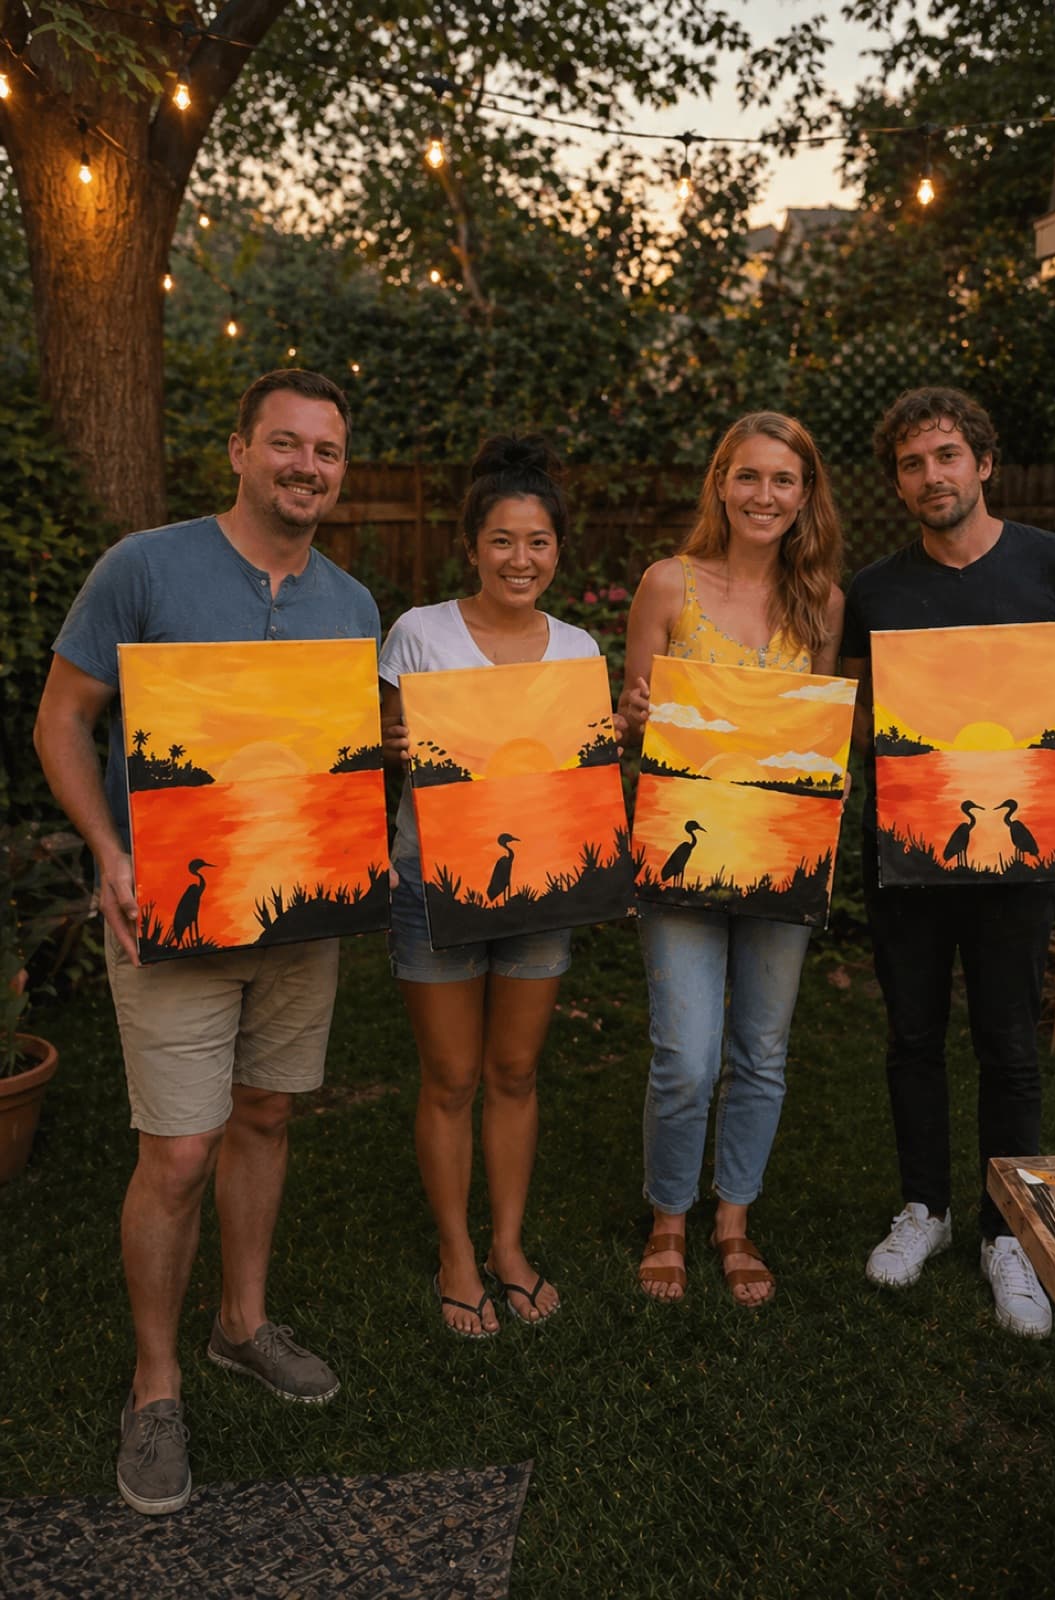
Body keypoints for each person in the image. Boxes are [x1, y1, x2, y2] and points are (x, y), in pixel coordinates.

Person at [33, 370, 380, 1514]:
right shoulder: (145, 567)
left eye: (325, 453)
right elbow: (62, 719)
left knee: (269, 1112)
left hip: (297, 913)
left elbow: (340, 766)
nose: (306, 468)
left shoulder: (352, 604)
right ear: (237, 449)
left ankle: (240, 1322)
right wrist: (108, 848)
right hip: (169, 909)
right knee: (178, 1151)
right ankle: (155, 1378)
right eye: (285, 445)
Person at [841, 385, 1055, 1338]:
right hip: (909, 854)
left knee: (1009, 1043)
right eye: (914, 463)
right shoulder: (876, 589)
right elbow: (849, 712)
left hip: (1020, 856)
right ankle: (924, 1208)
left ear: (984, 463)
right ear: (900, 480)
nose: (933, 476)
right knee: (913, 1036)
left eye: (948, 456)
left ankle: (1011, 1232)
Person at [618, 411, 845, 1308]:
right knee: (685, 1054)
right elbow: (634, 720)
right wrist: (634, 712)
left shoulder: (820, 600)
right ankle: (669, 1213)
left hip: (783, 854)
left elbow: (827, 731)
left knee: (762, 1048)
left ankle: (733, 1218)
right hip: (685, 849)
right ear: (721, 483)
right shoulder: (668, 585)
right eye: (748, 477)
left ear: (805, 494)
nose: (764, 495)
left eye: (783, 480)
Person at [379, 436, 602, 1338]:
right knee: (451, 1078)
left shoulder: (578, 645)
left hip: (541, 888)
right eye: (503, 541)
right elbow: (381, 753)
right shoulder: (419, 634)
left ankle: (507, 1244)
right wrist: (392, 747)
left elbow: (574, 770)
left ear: (557, 551)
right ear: (473, 545)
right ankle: (456, 1253)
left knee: (514, 1071)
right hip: (431, 886)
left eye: (538, 542)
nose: (521, 559)